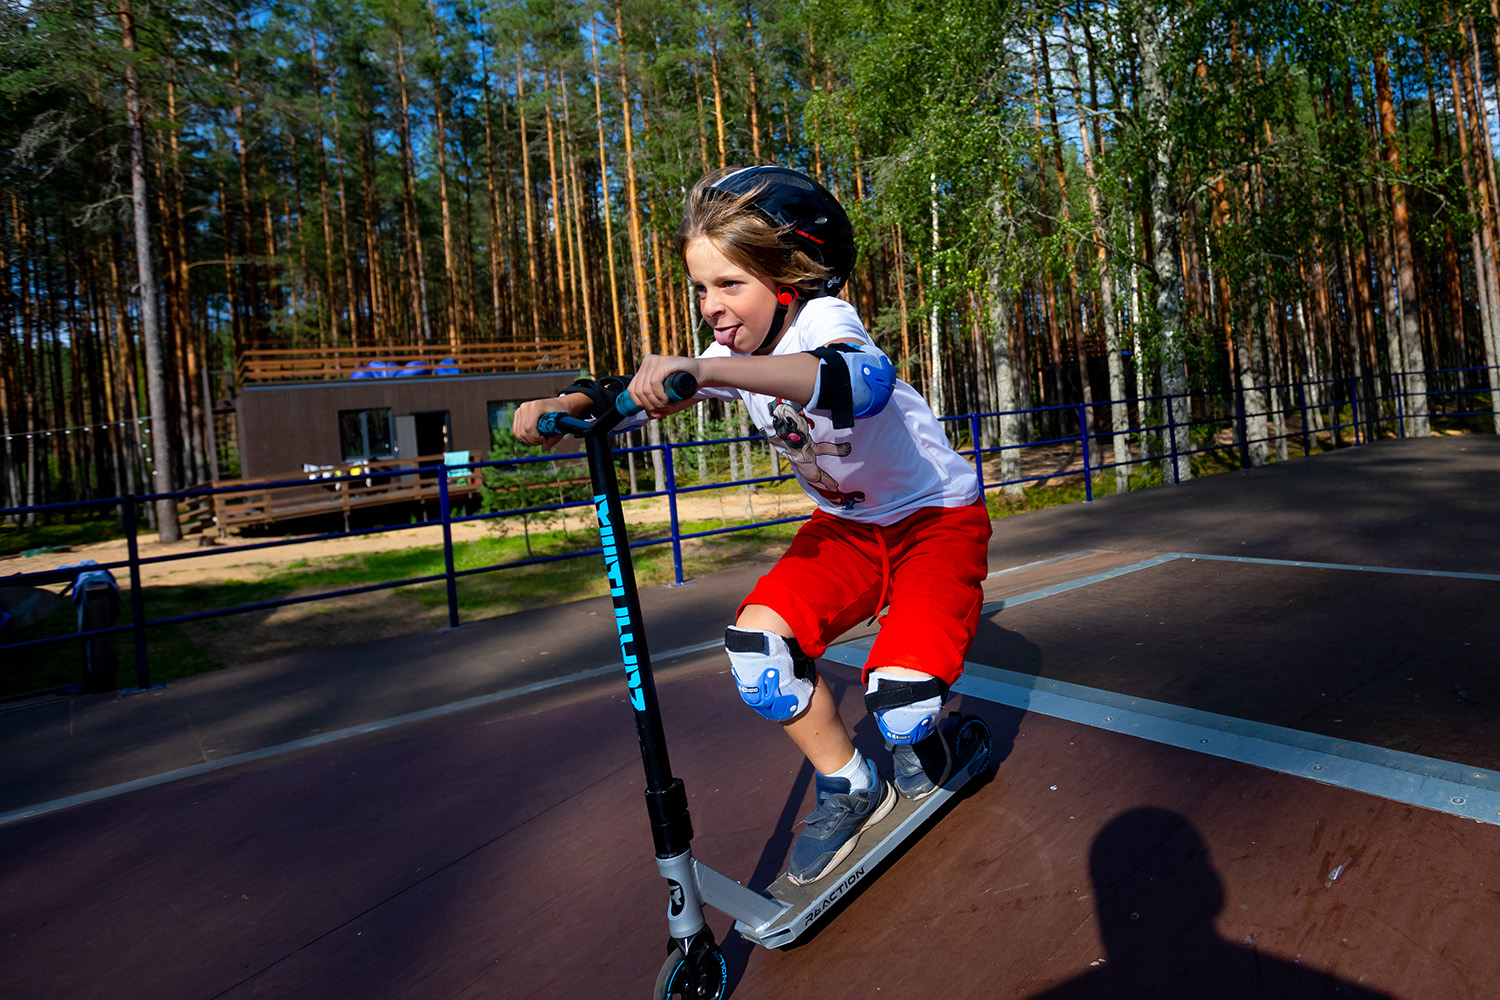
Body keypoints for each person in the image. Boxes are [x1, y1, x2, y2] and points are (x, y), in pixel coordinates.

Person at [513, 165, 991, 885]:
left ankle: (920, 738)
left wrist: (716, 375)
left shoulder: (823, 322)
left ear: (786, 280)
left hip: (935, 521)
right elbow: (630, 399)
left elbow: (859, 383)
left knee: (900, 706)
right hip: (846, 530)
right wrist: (572, 400)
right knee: (758, 656)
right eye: (701, 289)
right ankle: (850, 784)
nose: (711, 306)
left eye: (730, 285)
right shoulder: (727, 354)